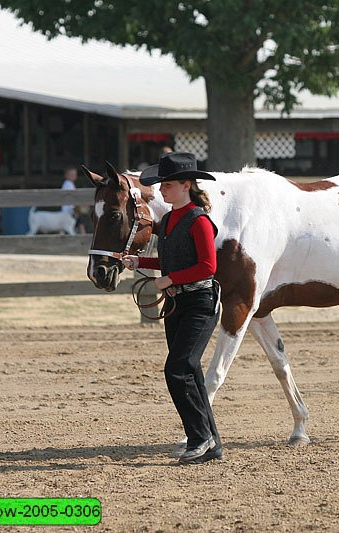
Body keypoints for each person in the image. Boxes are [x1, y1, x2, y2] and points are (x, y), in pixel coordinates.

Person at [121, 152, 223, 465]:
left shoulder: (199, 220)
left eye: (167, 184)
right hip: (178, 303)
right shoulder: (167, 222)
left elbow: (208, 266)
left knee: (177, 369)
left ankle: (198, 438)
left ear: (186, 185)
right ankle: (211, 442)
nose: (161, 189)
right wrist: (141, 262)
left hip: (200, 304)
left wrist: (168, 279)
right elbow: (171, 261)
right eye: (161, 184)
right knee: (188, 369)